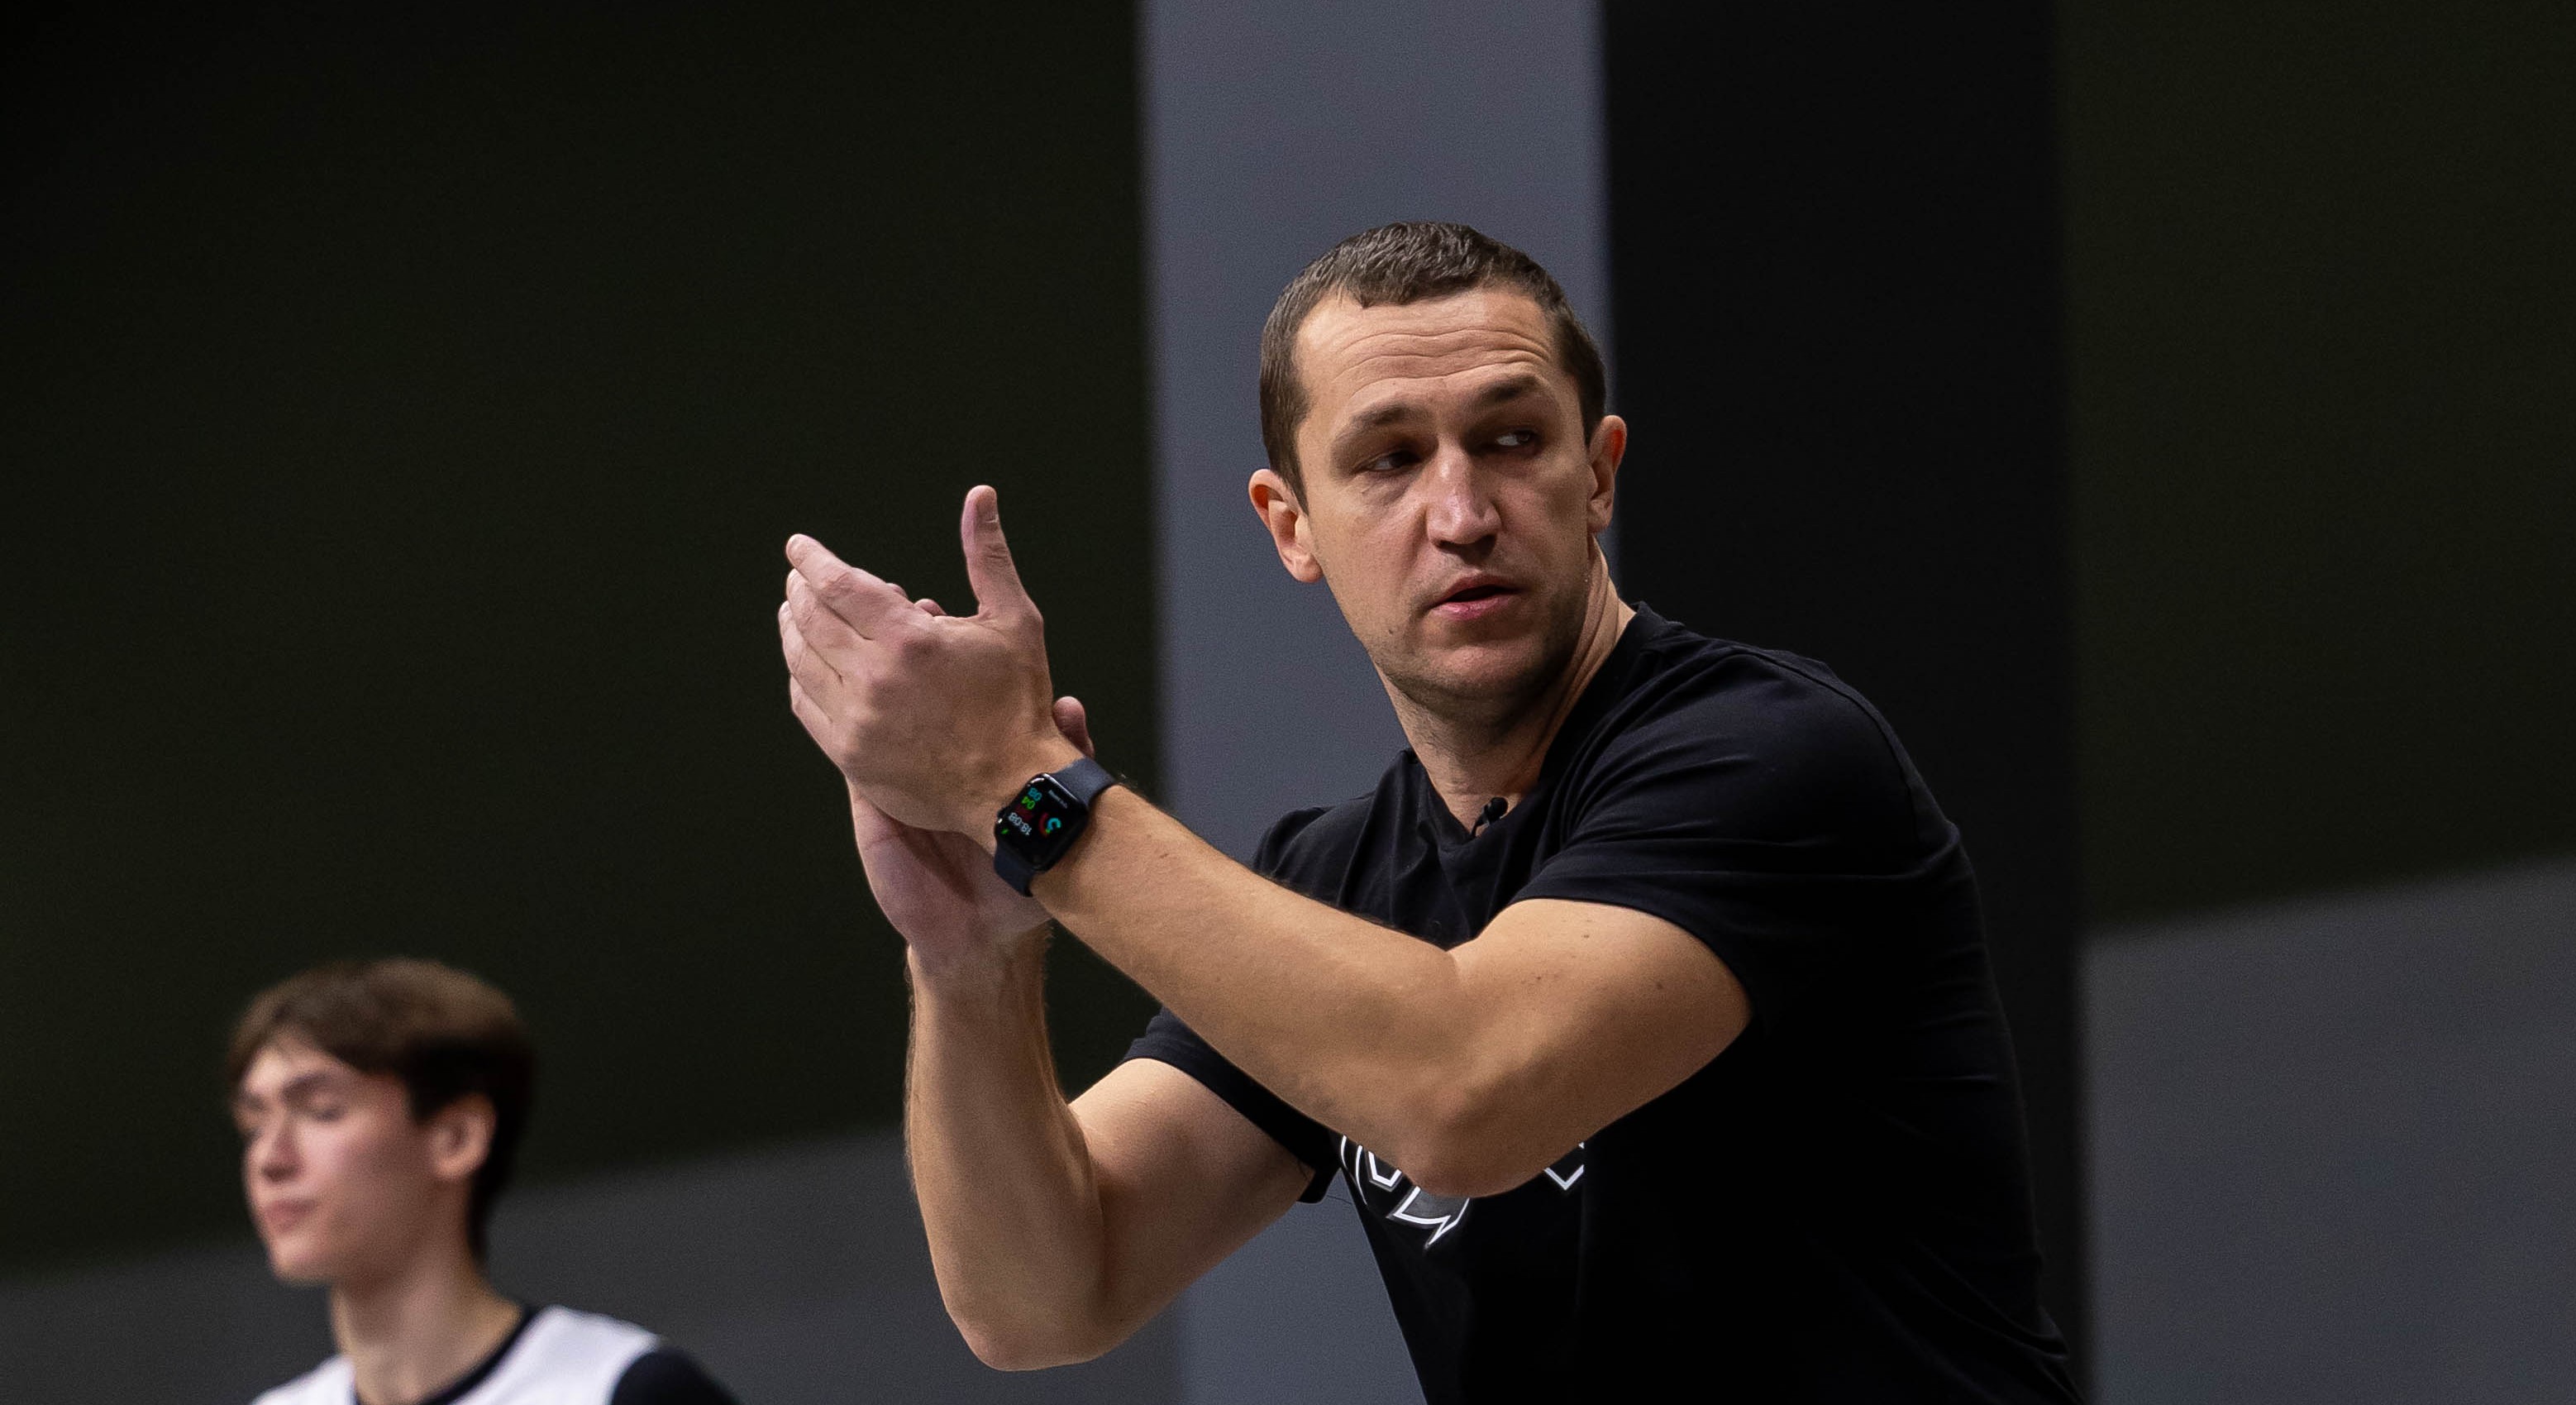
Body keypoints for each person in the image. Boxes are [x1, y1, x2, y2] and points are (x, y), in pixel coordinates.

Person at [777, 220, 2077, 1403]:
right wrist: (972, 956)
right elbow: (1047, 1293)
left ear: (1599, 473)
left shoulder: (1766, 754)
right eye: (1389, 459)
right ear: (1291, 525)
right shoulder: (1336, 877)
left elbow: (1465, 1088)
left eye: (1512, 438)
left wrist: (1027, 794)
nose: (1462, 513)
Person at [230, 958, 737, 1405]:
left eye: (322, 1111)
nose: (269, 1159)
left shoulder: (622, 1389)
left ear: (456, 1138)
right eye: (254, 1125)